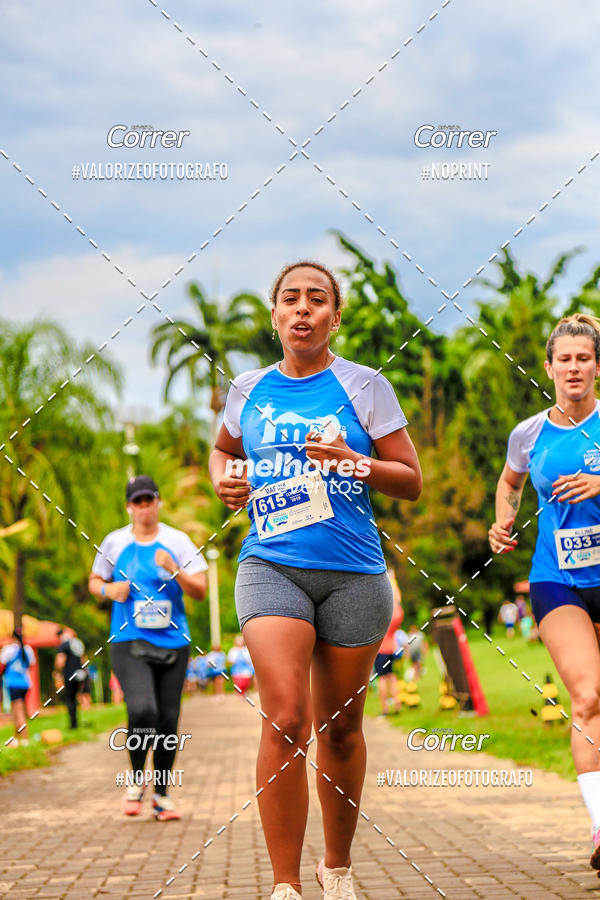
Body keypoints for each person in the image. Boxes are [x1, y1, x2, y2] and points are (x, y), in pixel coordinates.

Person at [209, 261, 422, 900]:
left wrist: (357, 462)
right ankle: (284, 886)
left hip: (355, 574)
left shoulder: (365, 387)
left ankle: (337, 867)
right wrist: (225, 477)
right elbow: (224, 448)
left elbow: (410, 480)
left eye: (317, 299)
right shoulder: (247, 390)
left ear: (335, 316)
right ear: (274, 315)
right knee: (284, 717)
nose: (303, 309)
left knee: (342, 728)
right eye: (291, 299)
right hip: (271, 565)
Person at [488, 314, 600, 874]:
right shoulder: (529, 433)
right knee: (587, 697)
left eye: (585, 358)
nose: (574, 367)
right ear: (550, 367)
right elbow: (509, 483)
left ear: (597, 366)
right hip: (557, 579)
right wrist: (502, 522)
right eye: (565, 359)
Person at [88, 475, 208, 821]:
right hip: (129, 639)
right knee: (143, 710)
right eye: (137, 502)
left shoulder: (177, 541)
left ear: (158, 502)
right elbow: (96, 580)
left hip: (173, 640)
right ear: (129, 507)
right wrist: (108, 592)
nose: (144, 508)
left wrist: (175, 571)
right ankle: (136, 781)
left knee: (168, 719)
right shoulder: (114, 543)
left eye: (149, 500)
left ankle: (162, 795)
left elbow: (199, 589)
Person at [374, 570, 404, 716]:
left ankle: (385, 710)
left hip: (381, 651)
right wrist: (393, 580)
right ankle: (397, 706)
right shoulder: (397, 613)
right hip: (392, 649)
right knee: (391, 677)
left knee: (382, 680)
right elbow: (397, 600)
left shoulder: (385, 614)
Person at [0, 628, 35, 746]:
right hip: (25, 683)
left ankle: (25, 739)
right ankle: (16, 738)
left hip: (13, 683)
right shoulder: (28, 649)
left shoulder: (9, 650)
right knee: (18, 711)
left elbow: (2, 665)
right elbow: (31, 665)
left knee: (18, 712)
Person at [54, 627, 86, 729]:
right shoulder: (76, 643)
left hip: (69, 675)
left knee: (70, 699)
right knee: (76, 698)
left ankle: (73, 724)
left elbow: (60, 662)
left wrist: (57, 673)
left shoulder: (63, 645)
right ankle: (77, 721)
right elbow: (83, 659)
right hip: (79, 674)